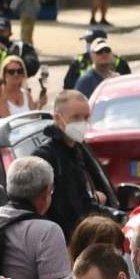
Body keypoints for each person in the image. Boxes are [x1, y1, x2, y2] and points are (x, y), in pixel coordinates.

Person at [29, 93, 111, 239]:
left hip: (85, 236)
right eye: (76, 117)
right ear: (58, 118)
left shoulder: (79, 149)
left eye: (86, 117)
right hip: (63, 240)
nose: (82, 123)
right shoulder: (45, 157)